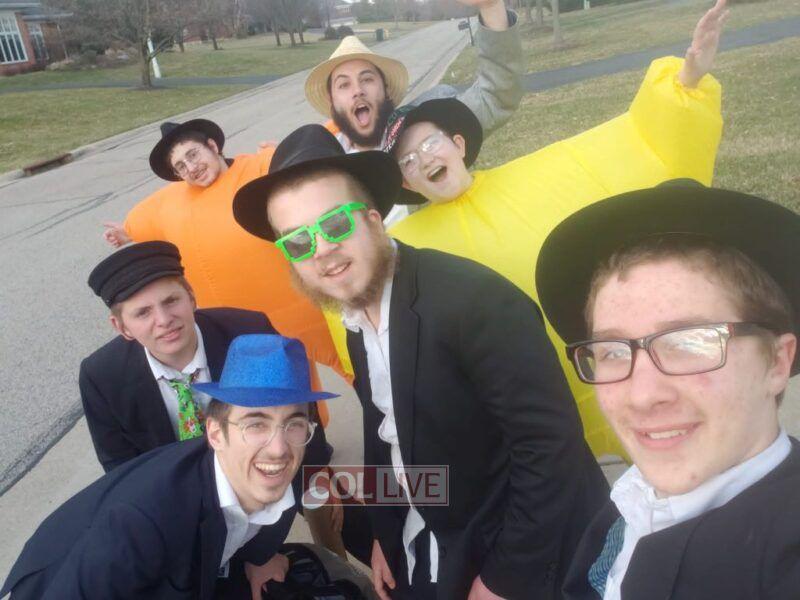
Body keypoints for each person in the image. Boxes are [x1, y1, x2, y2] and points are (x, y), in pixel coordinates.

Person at [231, 124, 609, 600]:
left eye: (335, 224)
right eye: (299, 242)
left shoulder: (475, 302)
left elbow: (551, 450)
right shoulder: (357, 314)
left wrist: (505, 579)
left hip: (523, 541)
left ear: (372, 220)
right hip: (435, 515)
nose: (322, 250)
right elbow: (384, 429)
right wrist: (386, 535)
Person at [378, 0, 730, 459]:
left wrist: (686, 81)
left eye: (430, 143)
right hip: (529, 418)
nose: (424, 158)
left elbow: (631, 147)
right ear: (407, 183)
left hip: (609, 370)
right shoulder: (409, 248)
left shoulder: (544, 174)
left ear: (458, 144)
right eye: (408, 160)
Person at [533, 180, 800, 599]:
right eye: (612, 351)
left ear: (777, 363)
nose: (642, 396)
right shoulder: (632, 500)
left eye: (689, 343)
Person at [80, 240, 372, 565]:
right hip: (181, 491)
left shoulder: (247, 331)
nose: (163, 320)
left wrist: (317, 473)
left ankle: (393, 567)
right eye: (143, 312)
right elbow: (121, 467)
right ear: (121, 327)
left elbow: (299, 409)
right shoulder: (102, 376)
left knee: (342, 513)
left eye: (171, 300)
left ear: (191, 296)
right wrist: (253, 556)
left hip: (267, 455)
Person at [1, 334, 341, 600]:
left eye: (294, 424)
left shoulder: (275, 469)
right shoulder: (141, 523)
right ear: (215, 433)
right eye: (255, 424)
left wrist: (261, 556)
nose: (279, 449)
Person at [101, 119, 346, 401]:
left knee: (358, 365)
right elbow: (145, 221)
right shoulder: (172, 203)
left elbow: (311, 148)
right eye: (181, 166)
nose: (191, 168)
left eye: (193, 154)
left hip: (304, 308)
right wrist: (127, 233)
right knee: (280, 397)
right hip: (248, 330)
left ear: (212, 146)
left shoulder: (257, 167)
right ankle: (314, 429)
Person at [305, 0, 523, 155]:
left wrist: (491, 6)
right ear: (331, 100)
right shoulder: (320, 163)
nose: (357, 91)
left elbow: (495, 97)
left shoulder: (427, 129)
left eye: (367, 79)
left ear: (386, 89)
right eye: (344, 84)